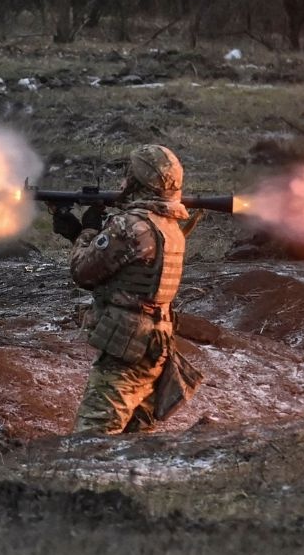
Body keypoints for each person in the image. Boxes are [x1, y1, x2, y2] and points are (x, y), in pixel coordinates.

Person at [51, 144, 190, 434]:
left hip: (128, 346)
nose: (123, 182)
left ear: (139, 181)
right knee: (132, 440)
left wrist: (86, 231)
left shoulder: (130, 226)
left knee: (92, 438)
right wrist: (81, 234)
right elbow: (124, 266)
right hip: (154, 344)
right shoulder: (168, 226)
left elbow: (84, 273)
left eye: (129, 176)